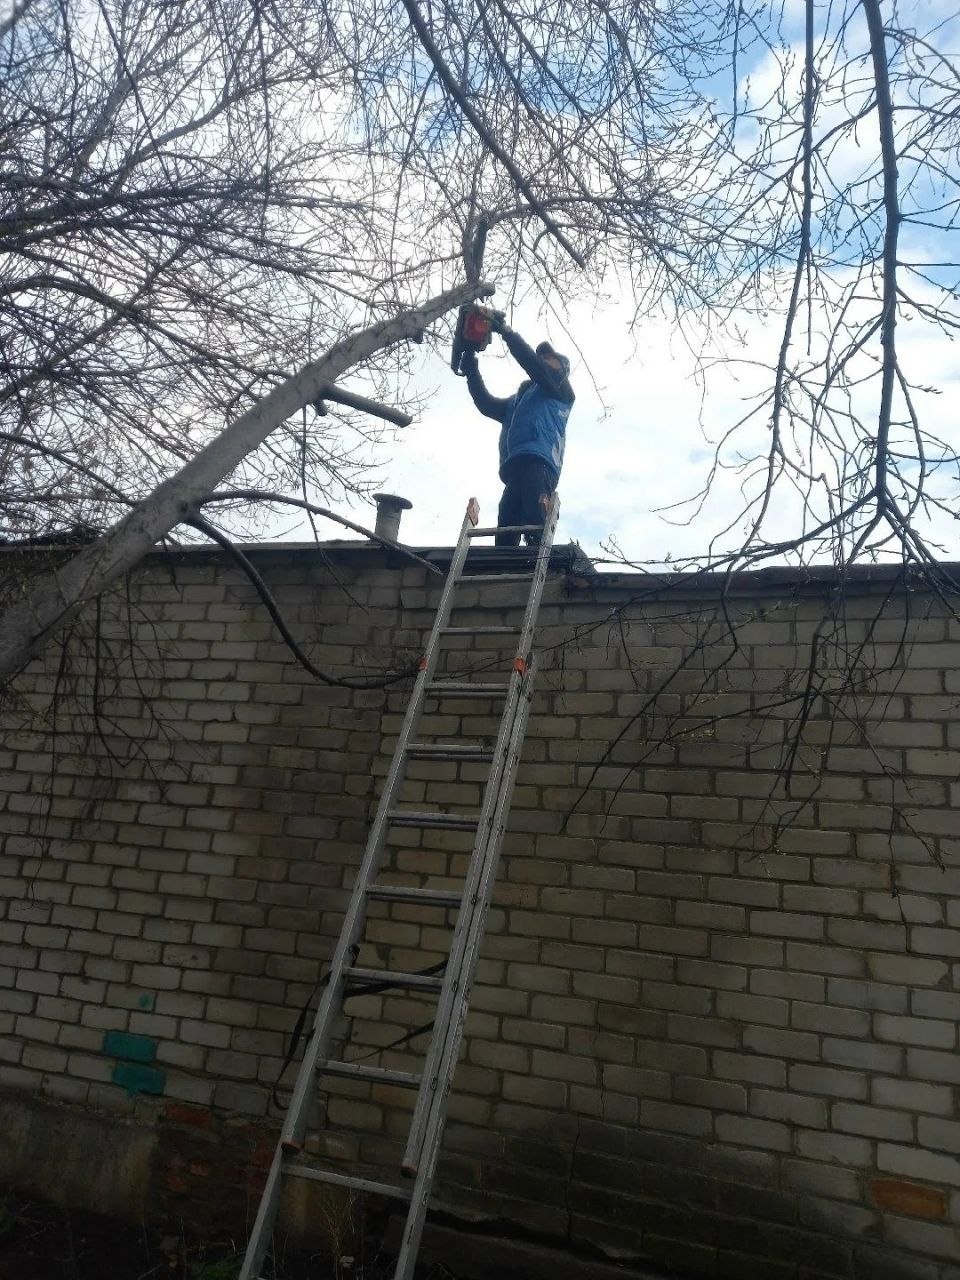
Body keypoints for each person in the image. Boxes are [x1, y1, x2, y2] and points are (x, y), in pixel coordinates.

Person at [460, 315, 574, 547]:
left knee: (534, 517)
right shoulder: (519, 401)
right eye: (543, 358)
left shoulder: (561, 390)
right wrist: (471, 369)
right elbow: (486, 404)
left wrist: (507, 333)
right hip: (515, 466)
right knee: (507, 518)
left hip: (541, 463)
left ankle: (536, 554)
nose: (543, 361)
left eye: (549, 360)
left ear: (561, 369)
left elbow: (533, 365)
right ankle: (503, 561)